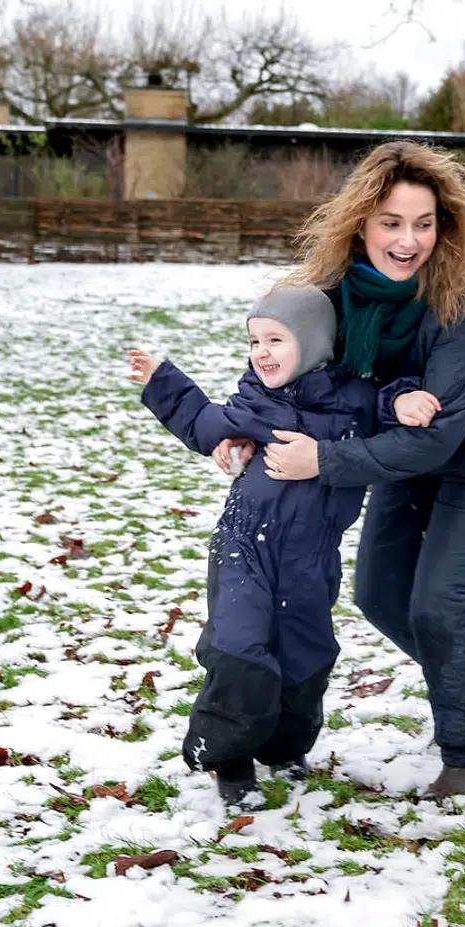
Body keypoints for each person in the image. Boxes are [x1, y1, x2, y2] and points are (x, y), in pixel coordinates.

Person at [226, 141, 465, 800]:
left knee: (442, 598)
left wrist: (322, 460)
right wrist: (245, 425)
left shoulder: (462, 300)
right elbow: (283, 359)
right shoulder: (329, 292)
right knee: (380, 594)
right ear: (362, 223)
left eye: (424, 223)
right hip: (402, 433)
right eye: (392, 222)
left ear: (446, 227)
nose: (409, 240)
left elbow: (436, 441)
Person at [127, 285, 434, 812]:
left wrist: (404, 398)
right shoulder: (256, 401)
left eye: (275, 339)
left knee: (306, 654)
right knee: (240, 648)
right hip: (245, 543)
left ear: (314, 343)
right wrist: (163, 382)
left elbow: (386, 410)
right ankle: (228, 755)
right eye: (253, 340)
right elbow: (203, 424)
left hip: (313, 555)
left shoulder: (357, 401)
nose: (261, 352)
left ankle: (284, 746)